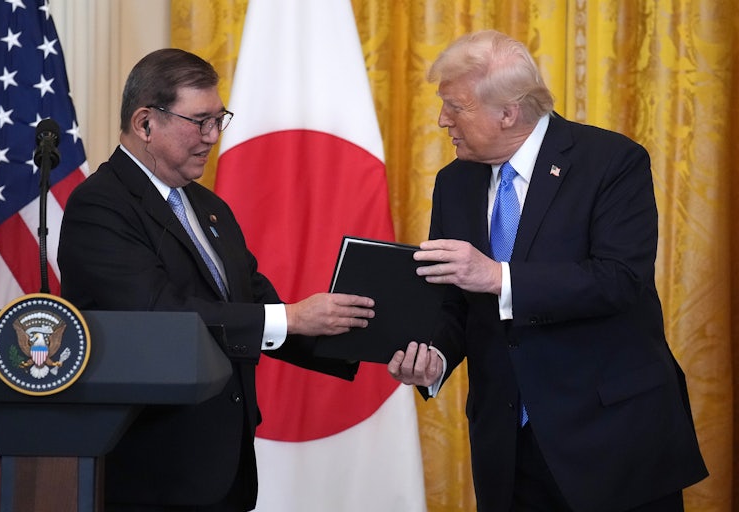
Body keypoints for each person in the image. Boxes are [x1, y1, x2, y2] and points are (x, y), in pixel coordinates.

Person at [387, 30, 708, 512]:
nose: (442, 120)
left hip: (611, 441)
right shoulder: (455, 181)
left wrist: (499, 277)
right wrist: (435, 354)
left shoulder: (611, 162)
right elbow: (454, 300)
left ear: (508, 113)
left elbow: (619, 279)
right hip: (508, 450)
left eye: (455, 107)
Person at [57, 48, 375, 512]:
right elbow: (160, 316)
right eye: (200, 121)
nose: (212, 136)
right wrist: (291, 317)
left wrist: (374, 337)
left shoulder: (209, 207)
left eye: (218, 120)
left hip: (224, 468)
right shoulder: (100, 206)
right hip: (151, 472)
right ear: (145, 123)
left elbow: (255, 302)